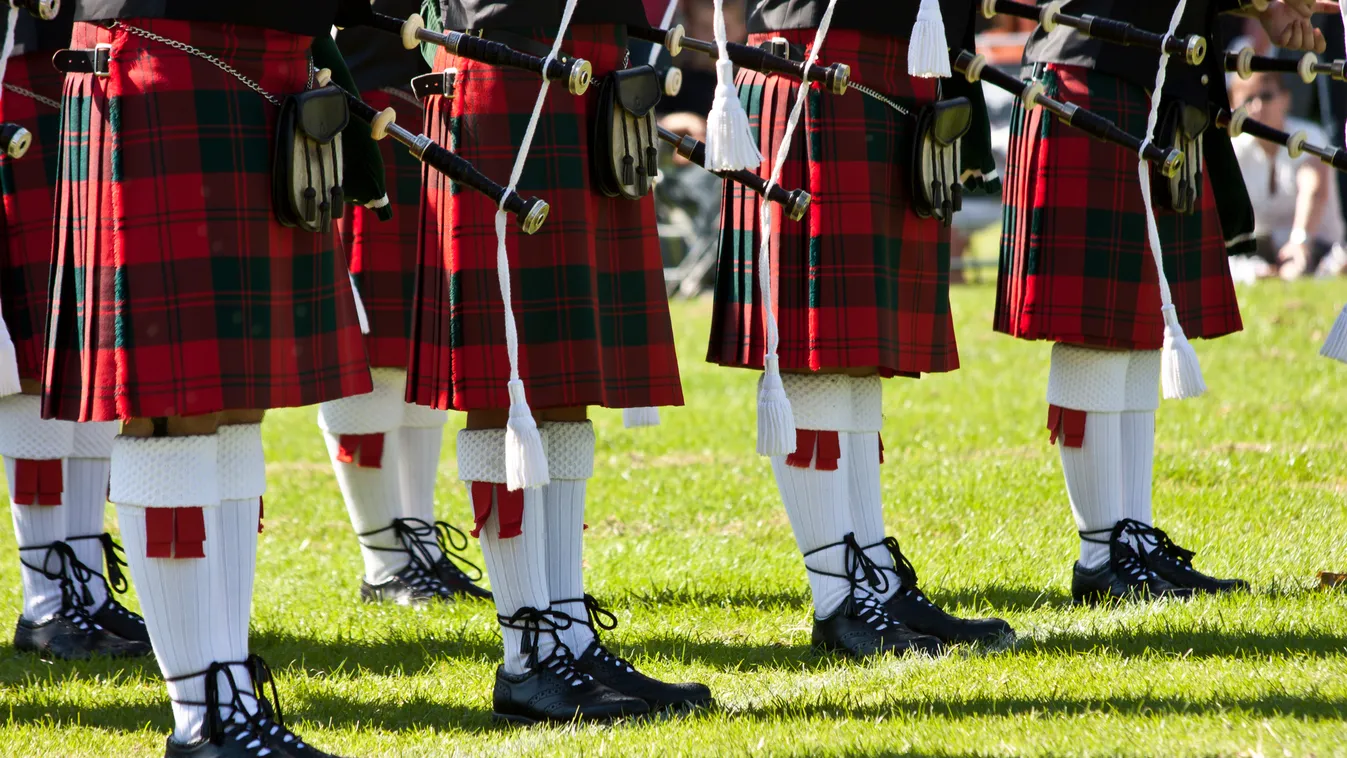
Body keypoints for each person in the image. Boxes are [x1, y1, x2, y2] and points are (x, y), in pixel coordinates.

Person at [42, 1, 377, 755]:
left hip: (269, 48)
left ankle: (228, 687)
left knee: (236, 400)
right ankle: (201, 715)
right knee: (173, 404)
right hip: (162, 42)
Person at [407, 0, 712, 723]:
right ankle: (526, 655)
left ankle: (567, 634)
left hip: (594, 58)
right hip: (505, 59)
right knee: (503, 378)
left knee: (566, 380)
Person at [707, 0, 1014, 661]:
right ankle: (836, 600)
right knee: (818, 348)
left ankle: (871, 570)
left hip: (896, 58)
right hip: (812, 56)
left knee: (856, 349)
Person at [997, 0, 1326, 604]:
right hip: (1090, 70)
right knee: (1095, 328)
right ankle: (1102, 555)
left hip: (1159, 81)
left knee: (1143, 323)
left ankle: (1131, 538)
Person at [327, 0, 491, 607]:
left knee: (422, 344)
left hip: (432, 108)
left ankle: (416, 537)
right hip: (354, 107)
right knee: (372, 351)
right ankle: (381, 557)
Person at [0, 2, 150, 661]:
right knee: (33, 359)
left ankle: (83, 588)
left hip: (96, 53)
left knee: (84, 345)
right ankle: (47, 603)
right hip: (19, 61)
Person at [1229, 70, 1344, 278]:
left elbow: (1314, 190)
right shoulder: (1235, 150)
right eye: (1248, 99)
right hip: (1262, 248)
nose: (1258, 107)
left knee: (1304, 268)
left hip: (1318, 245)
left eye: (1266, 96)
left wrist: (1299, 242)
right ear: (1234, 106)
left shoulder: (1308, 136)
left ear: (1285, 99)